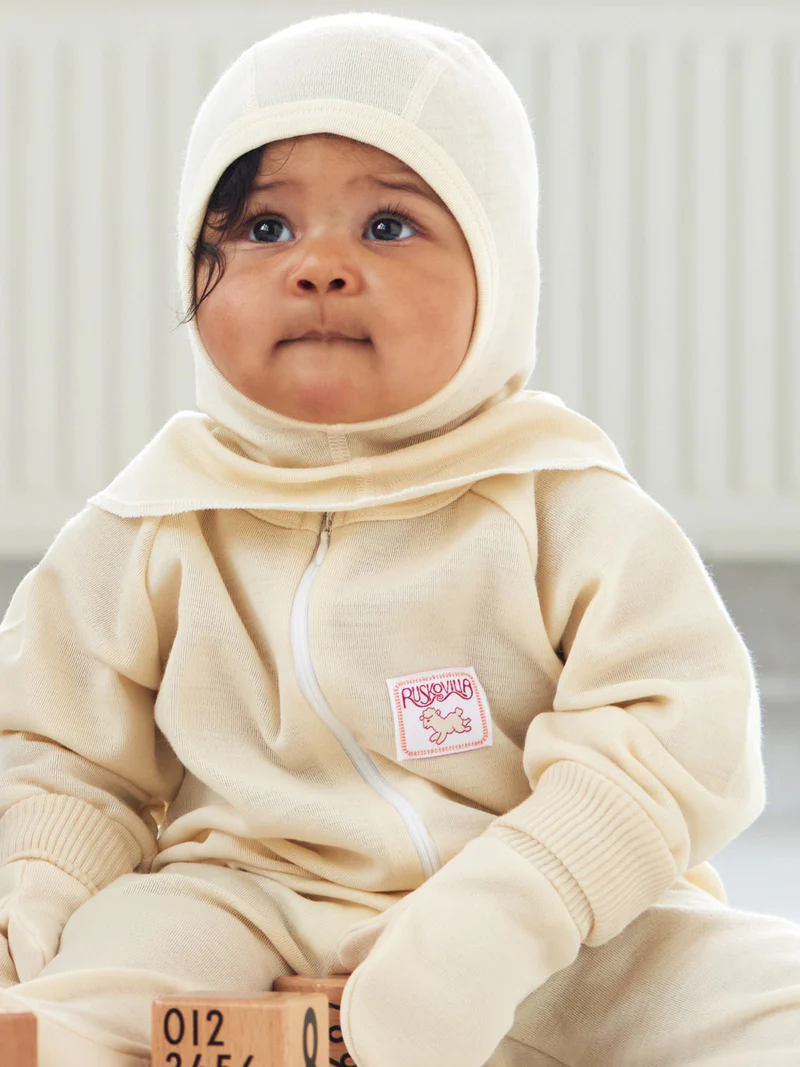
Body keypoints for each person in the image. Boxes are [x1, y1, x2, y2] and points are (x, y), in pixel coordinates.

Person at [1, 11, 798, 1067]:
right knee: (81, 1001)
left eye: (387, 225)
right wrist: (38, 897)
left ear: (497, 269)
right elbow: (59, 751)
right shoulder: (153, 518)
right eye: (264, 227)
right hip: (242, 901)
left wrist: (506, 912)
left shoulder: (557, 499)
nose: (319, 266)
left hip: (546, 924)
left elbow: (677, 731)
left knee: (769, 998)